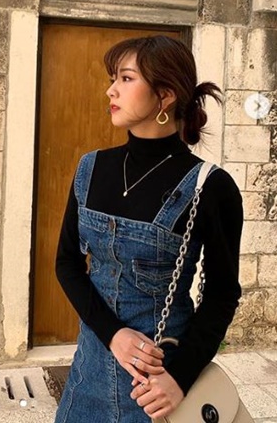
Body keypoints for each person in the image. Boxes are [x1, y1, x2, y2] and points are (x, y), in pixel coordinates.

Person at [54, 35, 243, 423]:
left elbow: (222, 295)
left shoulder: (210, 187)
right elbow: (67, 264)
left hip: (157, 390)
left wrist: (179, 379)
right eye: (113, 79)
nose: (111, 90)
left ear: (165, 95)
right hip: (87, 378)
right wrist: (114, 334)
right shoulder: (91, 168)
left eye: (126, 79)